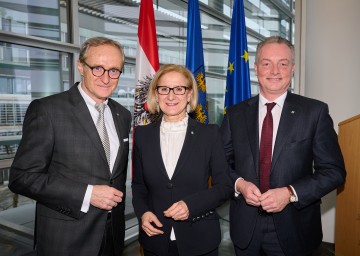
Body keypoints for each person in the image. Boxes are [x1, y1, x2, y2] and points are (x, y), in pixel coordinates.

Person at [220, 36, 346, 256]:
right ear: (256, 68)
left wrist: (290, 193)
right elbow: (220, 165)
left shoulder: (314, 113)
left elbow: (334, 172)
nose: (275, 70)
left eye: (283, 63)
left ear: (293, 68)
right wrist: (239, 184)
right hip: (245, 230)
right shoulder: (235, 115)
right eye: (267, 63)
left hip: (295, 229)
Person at [8, 37, 131, 256]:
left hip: (113, 236)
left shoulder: (123, 115)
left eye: (114, 70)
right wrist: (87, 194)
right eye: (98, 68)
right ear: (81, 67)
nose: (106, 78)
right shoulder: (48, 110)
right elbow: (22, 177)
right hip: (66, 239)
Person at [132, 64, 233, 256]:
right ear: (156, 94)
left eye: (179, 89)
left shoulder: (209, 134)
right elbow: (138, 186)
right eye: (164, 89)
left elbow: (225, 186)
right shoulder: (143, 135)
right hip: (155, 238)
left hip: (200, 239)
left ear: (189, 94)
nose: (171, 96)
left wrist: (191, 206)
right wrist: (143, 213)